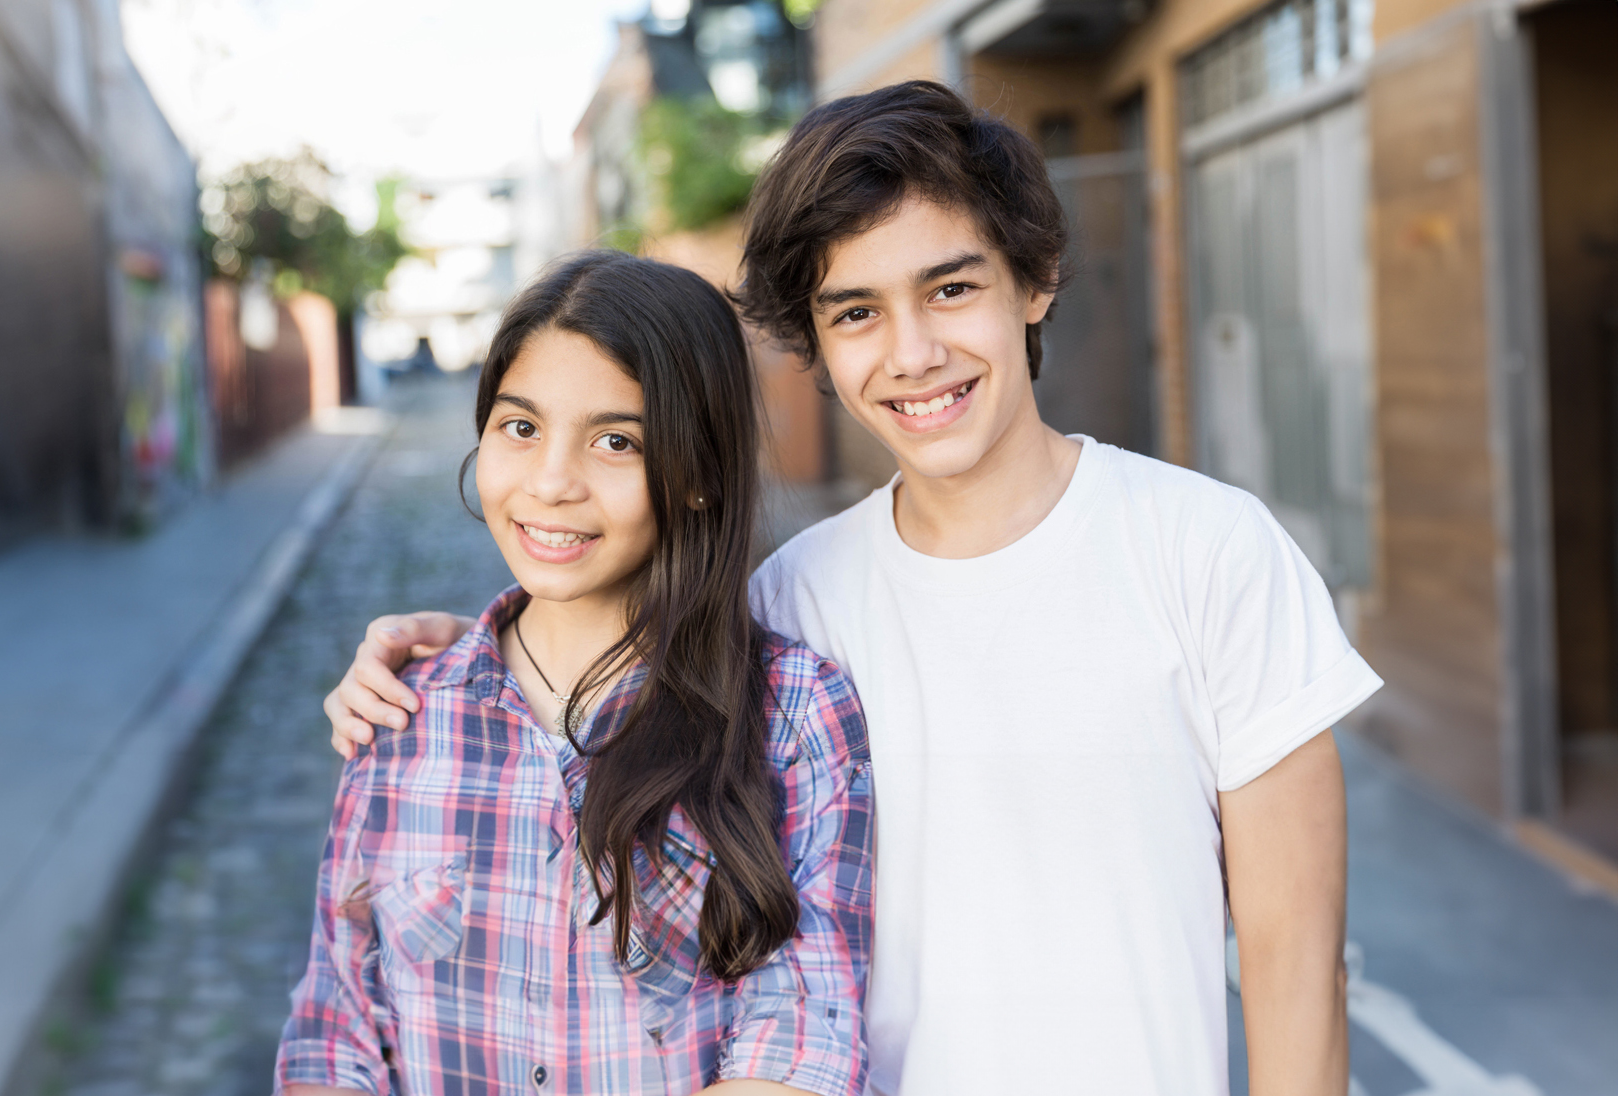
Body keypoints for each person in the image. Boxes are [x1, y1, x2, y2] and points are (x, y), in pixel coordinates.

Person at [322, 81, 1377, 1096]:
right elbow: (589, 683)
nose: (913, 354)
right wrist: (457, 654)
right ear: (816, 343)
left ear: (1036, 278)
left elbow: (1296, 965)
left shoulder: (1207, 551)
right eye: (857, 312)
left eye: (951, 289)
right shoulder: (794, 602)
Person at [277, 250, 875, 1096]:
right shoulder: (398, 712)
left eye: (615, 440)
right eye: (520, 428)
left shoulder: (795, 715)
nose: (552, 483)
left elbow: (801, 1042)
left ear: (699, 473)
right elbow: (336, 1031)